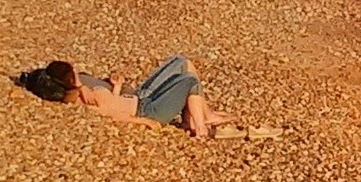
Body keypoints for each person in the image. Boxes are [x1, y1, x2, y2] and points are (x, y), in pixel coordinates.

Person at [16, 55, 265, 138]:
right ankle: (200, 127)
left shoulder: (83, 92)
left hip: (141, 96)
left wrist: (116, 86)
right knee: (189, 80)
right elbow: (116, 115)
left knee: (182, 62)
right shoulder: (82, 103)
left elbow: (113, 102)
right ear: (69, 80)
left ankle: (205, 114)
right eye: (72, 71)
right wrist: (145, 123)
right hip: (149, 108)